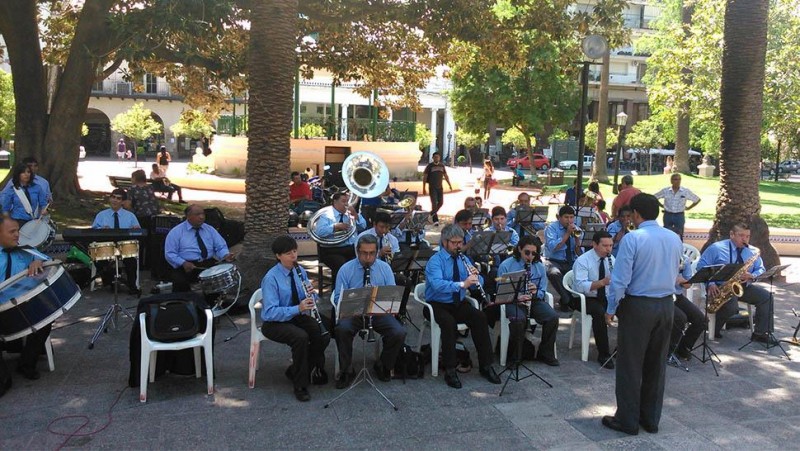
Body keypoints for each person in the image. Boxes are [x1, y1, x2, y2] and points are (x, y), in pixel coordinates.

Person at [602, 193, 682, 436]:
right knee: (656, 364)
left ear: (636, 214)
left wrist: (611, 308)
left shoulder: (633, 238)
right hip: (666, 305)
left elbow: (620, 279)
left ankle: (627, 420)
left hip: (638, 305)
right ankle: (650, 418)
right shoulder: (673, 237)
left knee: (630, 364)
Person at [424, 224, 501, 388]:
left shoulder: (463, 259)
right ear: (444, 242)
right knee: (448, 324)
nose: (458, 246)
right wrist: (462, 284)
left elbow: (475, 283)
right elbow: (437, 285)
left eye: (460, 242)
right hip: (437, 304)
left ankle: (486, 365)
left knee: (480, 317)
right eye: (454, 243)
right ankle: (450, 369)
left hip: (457, 303)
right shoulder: (435, 261)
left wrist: (476, 278)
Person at [260, 235, 330, 401]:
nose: (293, 256)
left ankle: (296, 371)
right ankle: (300, 385)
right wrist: (298, 308)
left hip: (295, 316)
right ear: (278, 256)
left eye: (294, 251)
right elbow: (269, 312)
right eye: (288, 253)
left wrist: (312, 295)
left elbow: (309, 297)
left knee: (322, 334)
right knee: (300, 337)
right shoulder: (271, 278)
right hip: (274, 322)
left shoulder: (300, 271)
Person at [332, 234, 407, 388]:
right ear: (357, 252)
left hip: (378, 312)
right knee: (342, 330)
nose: (368, 257)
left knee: (398, 332)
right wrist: (356, 297)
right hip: (354, 314)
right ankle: (346, 370)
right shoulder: (345, 269)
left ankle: (384, 365)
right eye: (364, 253)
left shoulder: (384, 268)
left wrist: (383, 303)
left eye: (372, 253)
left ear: (376, 252)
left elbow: (392, 294)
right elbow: (339, 297)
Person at [695, 223, 774, 343]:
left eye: (747, 236)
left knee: (766, 297)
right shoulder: (716, 248)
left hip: (742, 287)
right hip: (719, 286)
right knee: (731, 307)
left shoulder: (753, 251)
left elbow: (760, 269)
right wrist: (711, 284)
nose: (745, 239)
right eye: (741, 235)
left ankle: (760, 334)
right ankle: (712, 328)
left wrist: (752, 276)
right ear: (732, 234)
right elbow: (701, 266)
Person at [0, 217, 51, 397]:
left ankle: (27, 363)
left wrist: (39, 262)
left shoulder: (26, 250)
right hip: (1, 311)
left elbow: (49, 261)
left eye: (17, 231)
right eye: (12, 232)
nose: (17, 235)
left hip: (23, 306)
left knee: (45, 318)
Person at [490, 236, 559, 366]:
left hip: (533, 300)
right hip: (512, 301)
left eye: (534, 253)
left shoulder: (539, 266)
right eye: (527, 252)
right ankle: (516, 356)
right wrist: (517, 297)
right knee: (518, 319)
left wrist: (535, 292)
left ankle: (545, 352)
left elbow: (542, 290)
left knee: (552, 317)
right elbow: (501, 291)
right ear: (519, 249)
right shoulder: (506, 265)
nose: (530, 256)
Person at [164, 204, 234, 292]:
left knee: (216, 286)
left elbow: (220, 246)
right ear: (188, 216)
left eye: (203, 214)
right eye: (197, 214)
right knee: (180, 284)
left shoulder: (209, 229)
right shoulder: (176, 232)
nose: (202, 217)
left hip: (206, 263)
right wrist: (183, 263)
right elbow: (170, 253)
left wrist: (225, 255)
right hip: (186, 265)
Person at [572, 231, 616, 369]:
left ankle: (622, 348)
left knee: (629, 309)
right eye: (605, 246)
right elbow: (580, 286)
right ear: (594, 244)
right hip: (586, 298)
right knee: (599, 313)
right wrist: (602, 282)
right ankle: (603, 354)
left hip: (605, 296)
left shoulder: (611, 259)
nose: (608, 249)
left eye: (611, 246)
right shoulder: (583, 260)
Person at [91, 189, 141, 295]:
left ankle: (132, 286)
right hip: (106, 247)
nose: (115, 200)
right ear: (110, 198)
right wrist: (101, 230)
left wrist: (135, 229)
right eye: (113, 197)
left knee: (131, 261)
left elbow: (138, 232)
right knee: (100, 260)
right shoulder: (101, 215)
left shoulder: (130, 216)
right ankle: (111, 282)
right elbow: (93, 231)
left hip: (125, 248)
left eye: (118, 198)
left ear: (123, 202)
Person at [315, 192, 367, 285]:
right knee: (341, 266)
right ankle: (338, 291)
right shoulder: (326, 215)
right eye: (343, 201)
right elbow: (319, 232)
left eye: (347, 201)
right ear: (335, 202)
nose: (346, 204)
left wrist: (355, 214)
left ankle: (357, 288)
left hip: (351, 249)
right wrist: (335, 227)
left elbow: (363, 226)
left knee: (363, 262)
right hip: (332, 250)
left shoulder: (350, 214)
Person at [544, 206, 582, 311]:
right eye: (566, 217)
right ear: (559, 217)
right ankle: (568, 300)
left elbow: (579, 253)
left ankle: (566, 300)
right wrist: (567, 234)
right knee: (554, 273)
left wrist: (577, 240)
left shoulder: (576, 228)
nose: (569, 220)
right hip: (554, 260)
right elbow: (553, 247)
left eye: (571, 217)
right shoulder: (551, 228)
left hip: (571, 260)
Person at [670, 257, 706, 360]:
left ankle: (683, 347)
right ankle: (668, 351)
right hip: (664, 296)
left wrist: (682, 281)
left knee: (701, 319)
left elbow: (688, 285)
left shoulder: (684, 259)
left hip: (677, 296)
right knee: (680, 318)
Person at [654, 173, 701, 239]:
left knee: (679, 234)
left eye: (679, 179)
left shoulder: (685, 191)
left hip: (679, 216)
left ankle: (679, 245)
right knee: (666, 234)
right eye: (675, 179)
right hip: (668, 215)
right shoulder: (665, 191)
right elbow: (654, 197)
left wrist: (689, 208)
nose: (678, 181)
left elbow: (697, 199)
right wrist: (661, 205)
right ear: (671, 181)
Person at [422, 152, 452, 226]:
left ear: (439, 158)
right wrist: (424, 188)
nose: (436, 158)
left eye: (438, 157)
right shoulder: (430, 166)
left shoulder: (442, 166)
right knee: (434, 204)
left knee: (441, 202)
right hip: (432, 188)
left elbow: (445, 175)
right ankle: (435, 220)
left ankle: (431, 214)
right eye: (435, 157)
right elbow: (425, 177)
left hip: (440, 187)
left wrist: (449, 184)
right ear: (433, 158)